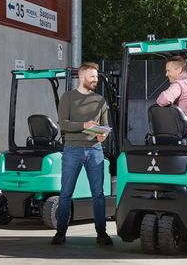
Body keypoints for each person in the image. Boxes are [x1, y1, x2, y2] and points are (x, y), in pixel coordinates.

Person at [51, 62, 113, 246]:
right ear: (83, 77)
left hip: (95, 151)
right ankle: (60, 233)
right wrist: (83, 125)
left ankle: (101, 233)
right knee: (65, 193)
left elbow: (105, 126)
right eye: (93, 77)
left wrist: (103, 135)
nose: (95, 79)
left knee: (98, 194)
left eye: (96, 76)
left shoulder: (100, 100)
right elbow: (63, 123)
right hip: (72, 150)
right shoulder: (68, 97)